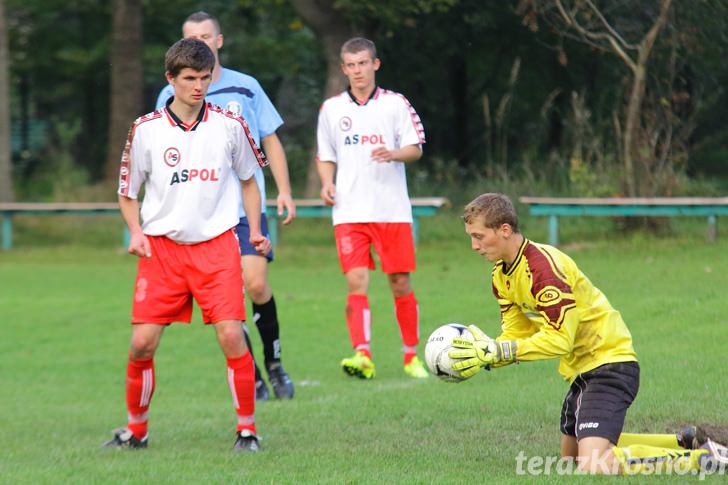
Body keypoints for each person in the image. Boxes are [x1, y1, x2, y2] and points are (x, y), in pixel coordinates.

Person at [449, 192, 728, 474]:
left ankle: (703, 460)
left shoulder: (542, 269)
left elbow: (559, 340)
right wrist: (484, 357)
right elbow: (516, 334)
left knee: (594, 464)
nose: (474, 246)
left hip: (608, 363)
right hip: (581, 372)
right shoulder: (501, 276)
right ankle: (682, 441)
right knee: (571, 457)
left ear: (504, 230)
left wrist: (501, 351)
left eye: (479, 236)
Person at [104, 38, 271, 452]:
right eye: (190, 78)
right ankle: (136, 432)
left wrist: (252, 228)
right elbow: (128, 192)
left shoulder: (231, 126)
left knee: (232, 336)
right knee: (141, 343)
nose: (199, 86)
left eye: (205, 77)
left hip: (217, 247)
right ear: (170, 79)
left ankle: (247, 431)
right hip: (162, 251)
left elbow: (249, 181)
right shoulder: (146, 130)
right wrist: (136, 232)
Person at [156, 11, 295, 401]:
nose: (200, 42)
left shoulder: (246, 88)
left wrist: (283, 189)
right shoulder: (170, 95)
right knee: (230, 298)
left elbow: (270, 139)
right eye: (192, 37)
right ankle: (248, 375)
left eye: (206, 36)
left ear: (219, 40)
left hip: (245, 207)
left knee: (256, 284)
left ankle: (274, 363)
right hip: (205, 216)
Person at [316, 37, 428, 380]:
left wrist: (393, 153)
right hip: (349, 212)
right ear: (343, 69)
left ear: (375, 64)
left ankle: (411, 356)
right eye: (350, 65)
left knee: (399, 282)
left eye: (363, 63)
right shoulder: (331, 109)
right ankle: (362, 354)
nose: (357, 71)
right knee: (356, 280)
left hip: (390, 210)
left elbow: (416, 147)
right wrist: (327, 182)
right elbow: (325, 155)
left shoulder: (395, 104)